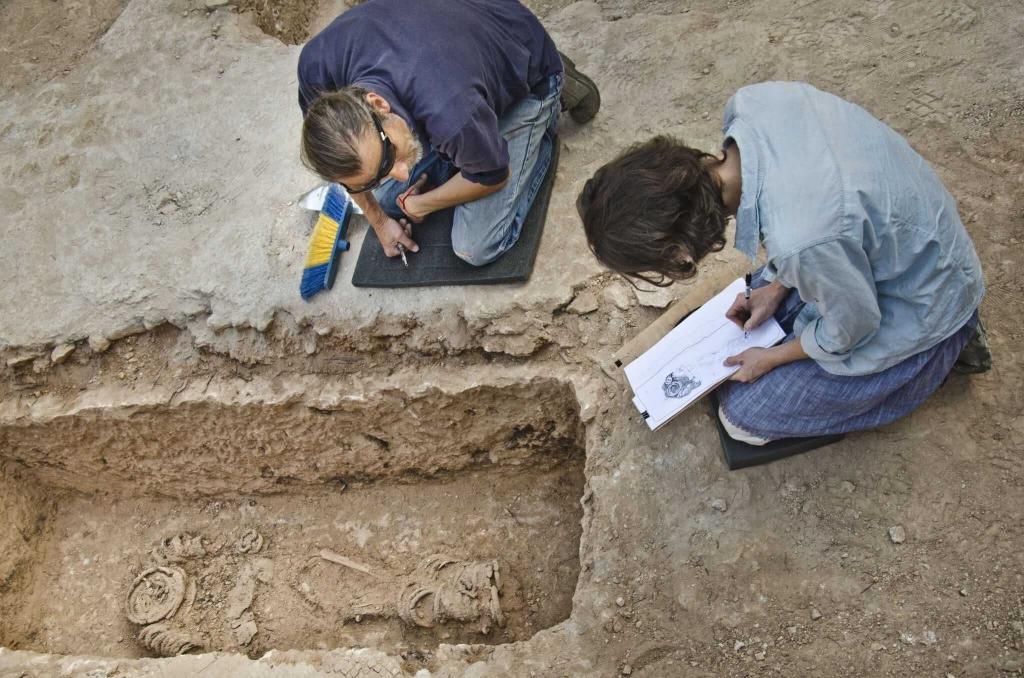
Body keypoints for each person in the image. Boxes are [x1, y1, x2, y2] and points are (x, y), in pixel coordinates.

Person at [577, 81, 990, 445]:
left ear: (679, 247)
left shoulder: (801, 241)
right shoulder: (750, 105)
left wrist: (771, 358)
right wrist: (775, 288)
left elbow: (856, 326)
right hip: (887, 239)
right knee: (766, 301)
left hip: (928, 295)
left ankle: (941, 354)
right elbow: (813, 225)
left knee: (744, 415)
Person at [297, 0, 600, 266]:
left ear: (377, 104)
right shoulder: (317, 71)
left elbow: (492, 176)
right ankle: (474, 132)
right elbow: (345, 174)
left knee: (476, 246)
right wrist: (379, 221)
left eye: (390, 156)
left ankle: (548, 102)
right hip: (455, 42)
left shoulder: (449, 110)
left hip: (515, 47)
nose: (402, 173)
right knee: (389, 198)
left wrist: (422, 204)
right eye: (383, 170)